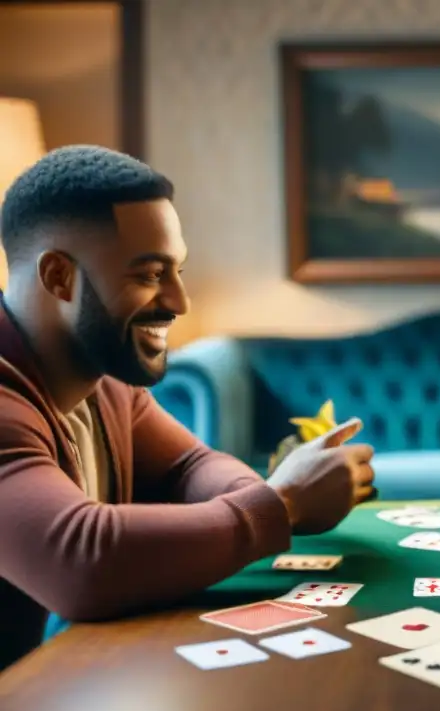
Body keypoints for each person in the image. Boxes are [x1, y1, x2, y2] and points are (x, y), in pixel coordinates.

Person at [0, 145, 375, 672]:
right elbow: (80, 560)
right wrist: (283, 503)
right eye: (150, 274)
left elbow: (190, 467)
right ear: (59, 277)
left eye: (177, 271)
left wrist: (264, 498)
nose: (179, 301)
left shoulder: (104, 380)